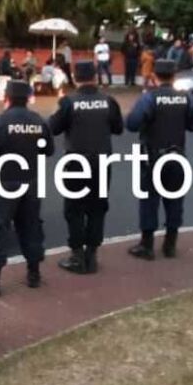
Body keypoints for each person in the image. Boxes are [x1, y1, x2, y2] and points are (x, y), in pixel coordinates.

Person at [49, 61, 124, 274]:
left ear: (75, 76)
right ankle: (92, 255)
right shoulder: (108, 101)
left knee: (74, 208)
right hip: (102, 161)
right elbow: (118, 128)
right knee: (97, 207)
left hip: (76, 162)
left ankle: (77, 255)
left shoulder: (68, 102)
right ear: (95, 76)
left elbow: (53, 128)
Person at [0, 81, 54, 296]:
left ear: (7, 98)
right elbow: (49, 150)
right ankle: (34, 274)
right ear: (27, 98)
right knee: (31, 227)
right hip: (31, 182)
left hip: (3, 184)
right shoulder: (39, 122)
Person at [125, 60, 193, 260]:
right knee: (175, 200)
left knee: (149, 200)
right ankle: (170, 244)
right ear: (174, 76)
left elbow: (132, 124)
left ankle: (147, 246)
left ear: (154, 76)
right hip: (177, 156)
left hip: (152, 156)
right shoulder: (187, 98)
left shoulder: (150, 98)